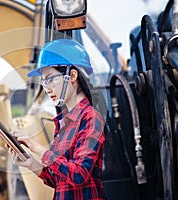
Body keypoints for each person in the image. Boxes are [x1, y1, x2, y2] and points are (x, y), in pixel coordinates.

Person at [8, 38, 106, 200]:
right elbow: (60, 180)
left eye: (51, 79)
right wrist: (30, 162)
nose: (46, 88)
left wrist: (37, 147)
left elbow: (78, 175)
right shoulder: (64, 122)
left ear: (72, 75)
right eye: (43, 81)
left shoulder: (90, 117)